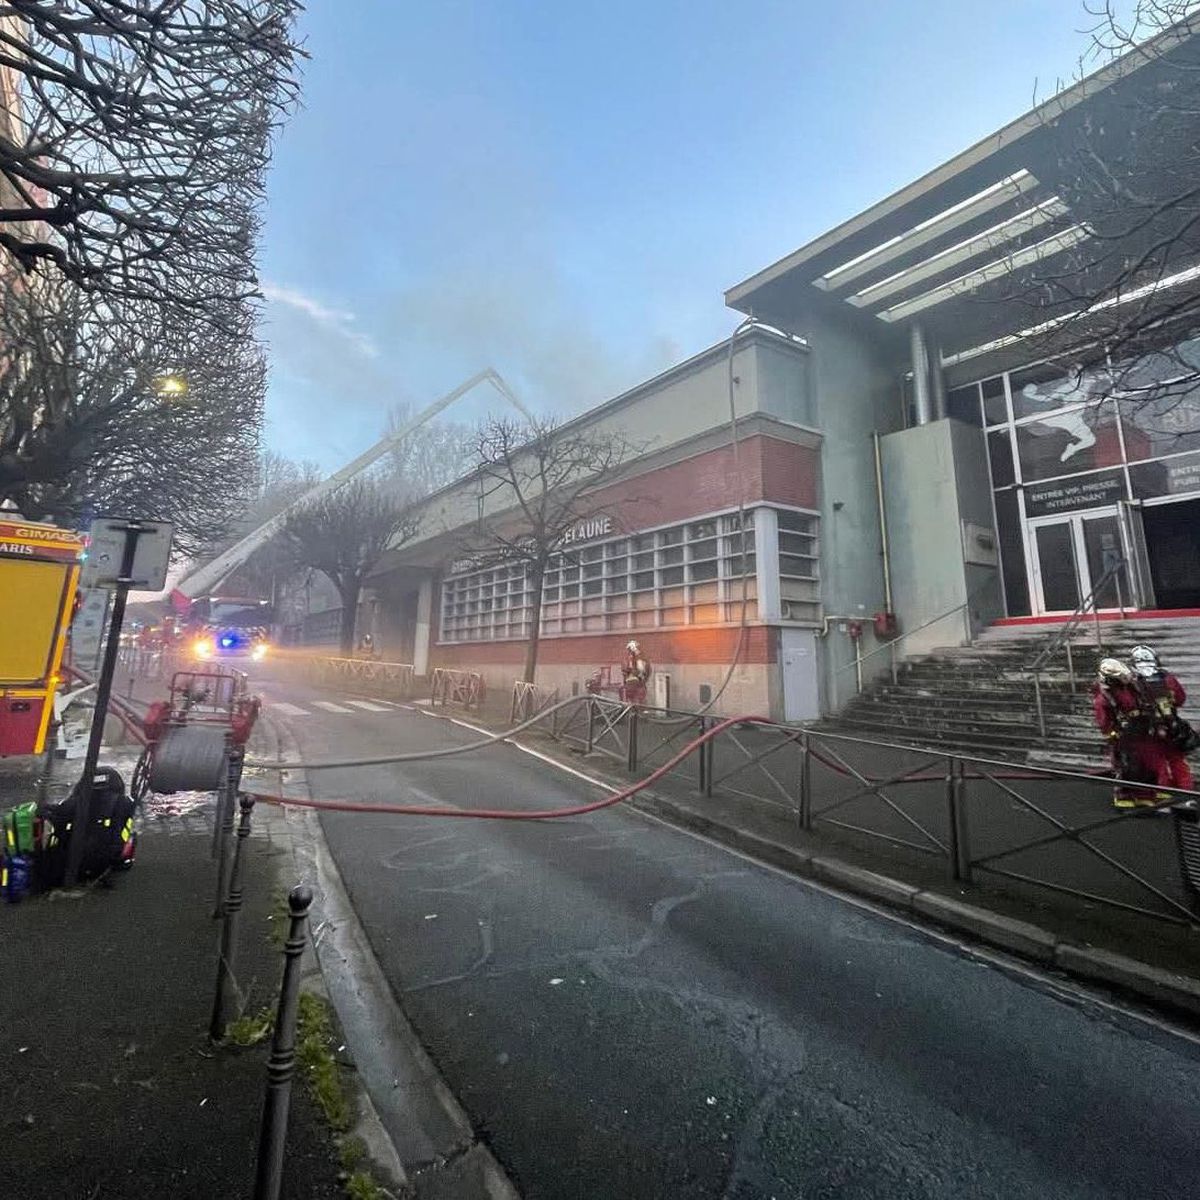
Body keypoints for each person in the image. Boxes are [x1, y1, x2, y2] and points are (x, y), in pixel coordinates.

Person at [1127, 644, 1195, 800]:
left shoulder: (1132, 681)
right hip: (1171, 725)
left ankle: (1162, 796)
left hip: (1147, 729)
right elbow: (1180, 699)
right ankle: (1187, 793)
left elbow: (1128, 705)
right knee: (1177, 760)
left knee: (1157, 764)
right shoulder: (1167, 678)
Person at [1092, 657, 1152, 808]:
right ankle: (1124, 797)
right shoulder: (1105, 695)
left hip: (1139, 726)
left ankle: (1143, 794)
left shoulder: (1129, 686)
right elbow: (1103, 718)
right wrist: (1111, 734)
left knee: (1145, 763)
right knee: (1125, 766)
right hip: (1122, 732)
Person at [621, 639, 651, 705]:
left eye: (629, 650)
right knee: (635, 704)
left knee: (635, 704)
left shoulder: (638, 659)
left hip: (636, 686)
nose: (629, 653)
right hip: (636, 685)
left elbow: (642, 670)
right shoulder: (637, 659)